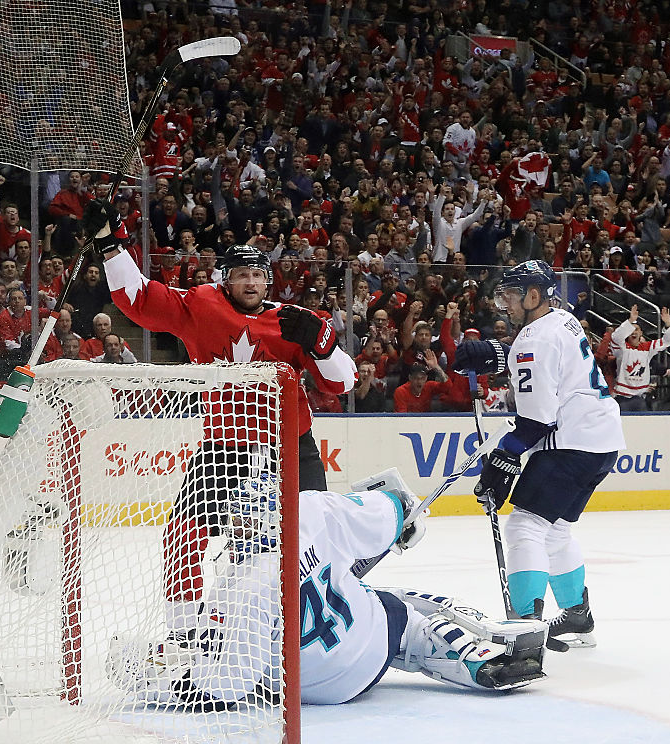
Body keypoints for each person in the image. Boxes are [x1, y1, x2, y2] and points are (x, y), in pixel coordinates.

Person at [86, 199, 357, 636]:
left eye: (258, 274)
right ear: (225, 280)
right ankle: (183, 632)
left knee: (311, 537)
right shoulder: (202, 307)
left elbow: (342, 384)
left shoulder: (295, 321)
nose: (250, 282)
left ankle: (316, 622)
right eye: (241, 274)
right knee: (183, 533)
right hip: (224, 446)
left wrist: (325, 346)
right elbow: (138, 299)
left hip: (291, 445)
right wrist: (111, 246)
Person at [117, 476, 546, 709]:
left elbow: (229, 686)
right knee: (395, 607)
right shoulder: (310, 510)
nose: (233, 530)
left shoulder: (240, 586)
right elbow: (389, 510)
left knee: (256, 643)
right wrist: (402, 516)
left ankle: (431, 640)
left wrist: (163, 688)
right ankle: (451, 645)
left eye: (237, 523)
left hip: (316, 691)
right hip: (370, 639)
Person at [455, 260, 625, 651]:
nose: (506, 304)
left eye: (512, 296)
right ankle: (577, 618)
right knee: (557, 529)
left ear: (534, 295)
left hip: (569, 442)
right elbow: (551, 364)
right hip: (601, 440)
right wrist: (500, 355)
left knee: (525, 527)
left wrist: (503, 458)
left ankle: (525, 629)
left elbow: (536, 420)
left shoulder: (534, 339)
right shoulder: (562, 320)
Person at [609, 305, 670, 411]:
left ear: (641, 333)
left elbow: (667, 341)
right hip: (622, 398)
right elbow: (616, 337)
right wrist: (630, 320)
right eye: (631, 330)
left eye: (637, 330)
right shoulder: (621, 348)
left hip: (641, 398)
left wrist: (667, 324)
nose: (634, 332)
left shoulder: (647, 348)